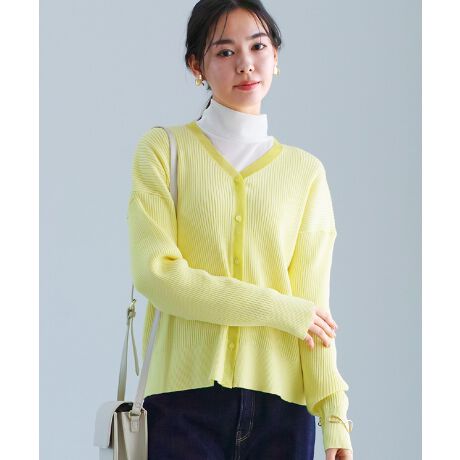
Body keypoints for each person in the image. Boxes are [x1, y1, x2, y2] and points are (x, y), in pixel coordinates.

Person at [127, 1, 353, 459]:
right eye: (225, 52)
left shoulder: (305, 173)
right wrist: (279, 308)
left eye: (258, 46)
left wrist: (334, 416)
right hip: (182, 405)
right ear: (197, 66)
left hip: (283, 412)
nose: (246, 63)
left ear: (276, 56)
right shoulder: (164, 150)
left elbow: (314, 311)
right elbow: (157, 276)